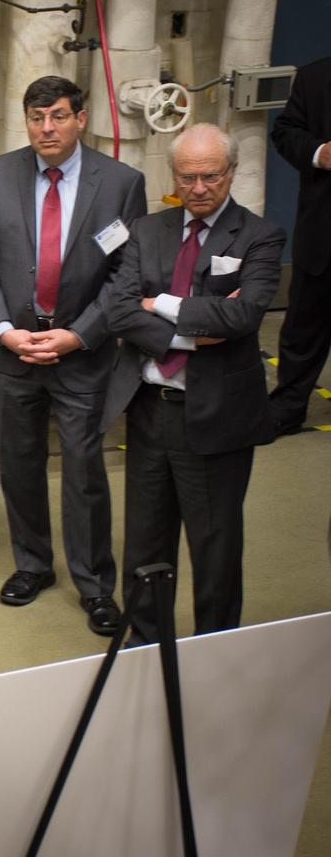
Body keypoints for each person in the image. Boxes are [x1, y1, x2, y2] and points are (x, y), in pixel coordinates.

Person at [0, 75, 147, 635]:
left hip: (81, 353)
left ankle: (95, 585)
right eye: (37, 118)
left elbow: (125, 276)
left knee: (84, 469)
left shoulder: (119, 184)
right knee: (18, 464)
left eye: (59, 117)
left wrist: (79, 335)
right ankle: (33, 565)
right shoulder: (1, 172)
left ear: (80, 118)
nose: (47, 129)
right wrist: (2, 330)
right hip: (13, 351)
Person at [102, 123, 284, 645]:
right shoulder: (147, 229)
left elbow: (244, 315)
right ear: (173, 175)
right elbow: (118, 310)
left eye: (210, 176)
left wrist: (157, 304)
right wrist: (189, 334)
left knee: (215, 546)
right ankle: (145, 645)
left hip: (217, 415)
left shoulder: (260, 235)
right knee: (144, 542)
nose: (199, 188)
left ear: (231, 173)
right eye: (187, 177)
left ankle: (214, 649)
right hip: (150, 411)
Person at [269, 57, 331, 435]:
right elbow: (286, 131)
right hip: (322, 236)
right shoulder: (314, 77)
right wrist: (319, 153)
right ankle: (288, 409)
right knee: (303, 331)